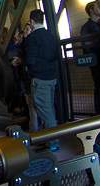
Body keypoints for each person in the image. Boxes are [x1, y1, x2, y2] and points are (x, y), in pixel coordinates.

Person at [23, 9, 59, 151]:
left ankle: (53, 143)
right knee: (49, 108)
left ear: (32, 21)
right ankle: (47, 138)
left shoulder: (33, 38)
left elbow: (30, 59)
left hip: (40, 78)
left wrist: (23, 61)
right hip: (51, 76)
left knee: (45, 111)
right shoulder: (50, 36)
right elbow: (56, 55)